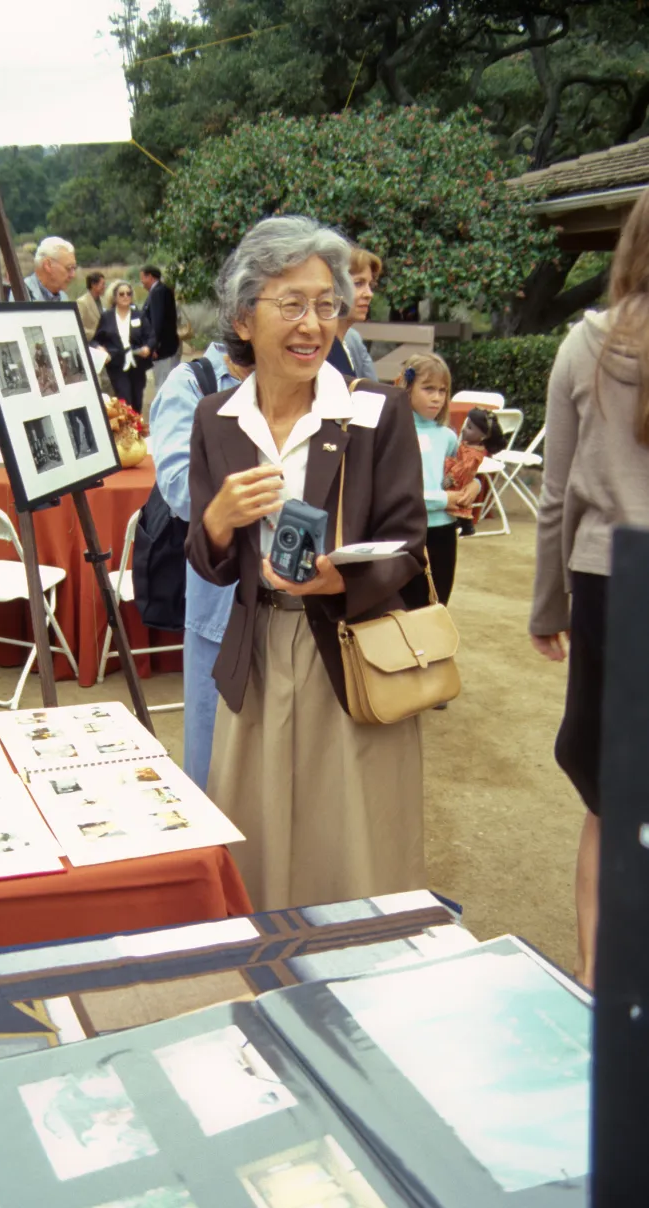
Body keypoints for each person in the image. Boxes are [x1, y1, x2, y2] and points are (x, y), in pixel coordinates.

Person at [186, 214, 428, 910]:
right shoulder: (216, 418)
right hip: (257, 652)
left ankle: (358, 981)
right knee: (256, 837)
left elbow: (409, 546)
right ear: (243, 315)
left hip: (349, 651)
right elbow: (205, 561)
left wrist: (341, 580)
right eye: (290, 304)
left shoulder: (375, 412)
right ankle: (266, 979)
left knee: (354, 844)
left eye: (326, 304)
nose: (312, 325)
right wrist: (218, 519)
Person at [529, 187, 649, 990]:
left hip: (611, 579)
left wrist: (547, 605)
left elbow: (556, 492)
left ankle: (598, 978)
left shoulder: (588, 345)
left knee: (609, 803)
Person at [150, 344, 249, 787]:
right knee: (210, 756)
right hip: (219, 600)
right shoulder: (192, 384)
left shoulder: (304, 376)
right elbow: (180, 489)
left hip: (297, 598)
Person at [397, 352, 479, 608]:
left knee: (437, 603)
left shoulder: (447, 436)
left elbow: (461, 477)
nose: (436, 397)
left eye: (442, 390)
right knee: (405, 607)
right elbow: (399, 493)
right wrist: (444, 499)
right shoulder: (396, 431)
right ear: (407, 386)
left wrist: (474, 487)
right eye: (428, 388)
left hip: (444, 532)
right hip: (407, 531)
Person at [92, 281, 154, 413]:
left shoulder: (139, 315)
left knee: (137, 401)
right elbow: (95, 340)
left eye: (128, 293)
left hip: (138, 364)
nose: (125, 296)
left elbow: (151, 337)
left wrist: (148, 347)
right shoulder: (107, 317)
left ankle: (136, 430)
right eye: (121, 294)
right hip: (117, 364)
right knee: (124, 400)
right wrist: (100, 349)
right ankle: (128, 430)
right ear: (114, 297)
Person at [445, 409, 507, 536]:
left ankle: (466, 525)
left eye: (469, 427)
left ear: (483, 436)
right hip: (459, 474)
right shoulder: (468, 446)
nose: (464, 430)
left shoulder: (473, 454)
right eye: (466, 425)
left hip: (460, 478)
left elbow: (463, 467)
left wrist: (451, 477)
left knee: (461, 500)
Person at [337, 246, 382, 379]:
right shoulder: (318, 346)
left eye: (370, 285)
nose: (369, 294)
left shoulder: (352, 340)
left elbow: (372, 391)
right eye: (358, 284)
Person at [140, 265, 180, 391]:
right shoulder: (162, 290)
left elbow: (157, 322)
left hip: (163, 348)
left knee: (163, 385)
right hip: (168, 346)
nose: (141, 282)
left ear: (150, 277)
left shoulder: (157, 292)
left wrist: (154, 346)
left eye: (142, 278)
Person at [25, 238, 77, 302]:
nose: (73, 275)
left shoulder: (64, 298)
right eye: (69, 268)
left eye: (74, 268)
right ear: (48, 265)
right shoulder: (19, 295)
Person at [77, 272, 105, 338]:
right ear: (93, 285)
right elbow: (79, 327)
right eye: (102, 284)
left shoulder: (103, 301)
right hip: (90, 342)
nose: (104, 287)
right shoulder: (82, 302)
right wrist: (96, 334)